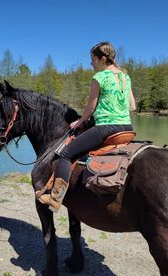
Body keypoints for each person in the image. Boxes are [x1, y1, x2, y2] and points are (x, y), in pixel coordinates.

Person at [39, 42, 136, 212]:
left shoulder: (99, 77)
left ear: (103, 59)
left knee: (66, 154)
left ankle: (55, 198)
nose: (91, 63)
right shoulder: (124, 76)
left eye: (93, 59)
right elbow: (133, 106)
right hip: (127, 127)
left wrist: (80, 121)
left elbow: (90, 108)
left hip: (107, 127)